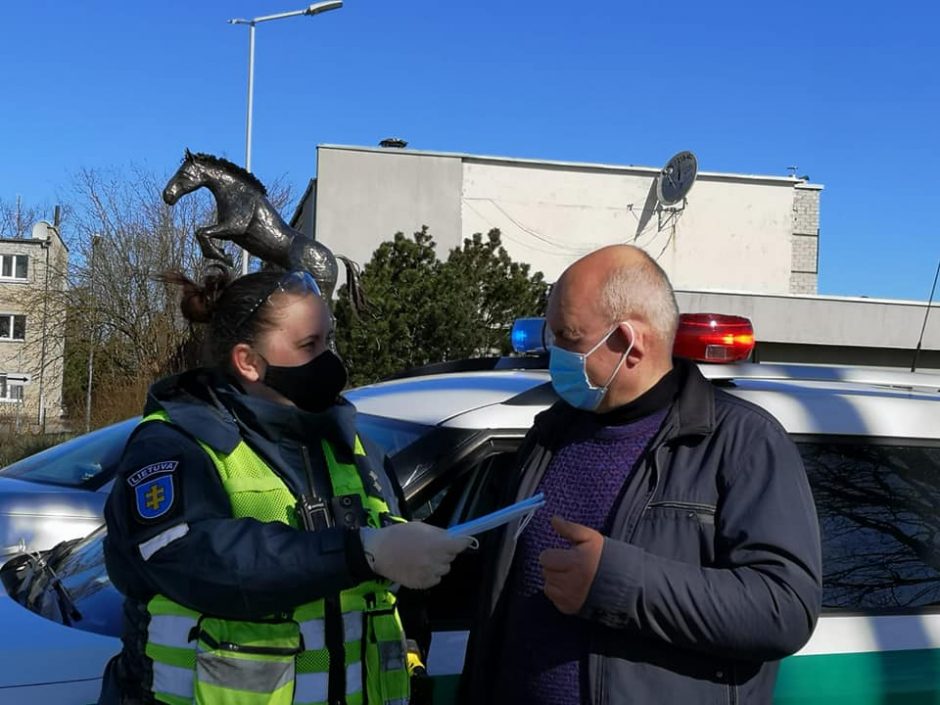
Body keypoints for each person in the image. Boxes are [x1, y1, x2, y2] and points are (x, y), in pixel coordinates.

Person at [461, 245, 822, 704]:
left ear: (631, 343)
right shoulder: (550, 432)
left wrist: (615, 582)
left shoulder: (742, 443)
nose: (555, 354)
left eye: (569, 337)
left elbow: (783, 608)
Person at [99, 268, 472, 705]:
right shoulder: (177, 444)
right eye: (308, 345)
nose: (329, 359)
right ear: (249, 362)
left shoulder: (353, 447)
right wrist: (361, 550)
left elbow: (392, 592)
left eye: (328, 341)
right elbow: (197, 560)